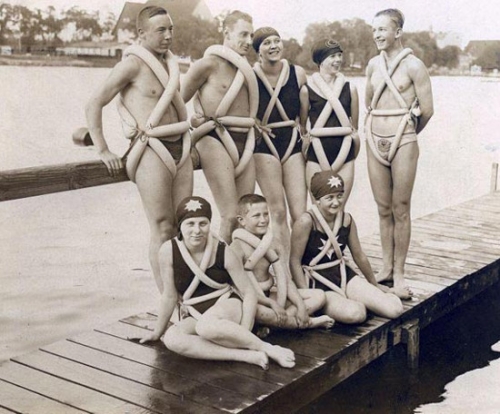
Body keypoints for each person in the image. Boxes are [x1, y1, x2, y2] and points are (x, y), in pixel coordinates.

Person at [85, 6, 193, 292]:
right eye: (161, 30)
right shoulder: (131, 65)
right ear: (141, 34)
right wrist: (103, 150)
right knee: (162, 226)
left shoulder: (171, 64)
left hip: (181, 148)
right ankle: (167, 299)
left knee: (186, 223)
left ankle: (188, 297)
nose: (168, 36)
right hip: (151, 150)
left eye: (171, 29)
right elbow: (94, 103)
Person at [136, 196, 295, 370]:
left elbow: (248, 293)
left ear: (209, 224)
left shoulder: (222, 250)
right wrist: (157, 332)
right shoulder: (168, 251)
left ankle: (269, 349)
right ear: (180, 225)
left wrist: (245, 329)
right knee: (172, 338)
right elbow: (169, 296)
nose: (197, 230)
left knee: (206, 327)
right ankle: (246, 356)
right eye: (190, 224)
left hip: (227, 304)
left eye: (203, 223)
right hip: (195, 311)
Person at [365, 9, 434, 297]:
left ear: (398, 32)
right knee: (383, 208)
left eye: (383, 29)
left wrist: (408, 134)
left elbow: (427, 110)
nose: (377, 35)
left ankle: (400, 273)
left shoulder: (415, 66)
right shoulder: (372, 65)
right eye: (374, 30)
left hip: (403, 138)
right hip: (374, 139)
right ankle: (386, 268)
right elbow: (368, 104)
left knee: (401, 208)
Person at [181, 11, 258, 242]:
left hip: (244, 141)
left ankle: (238, 262)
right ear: (227, 33)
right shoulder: (207, 65)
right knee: (230, 215)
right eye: (243, 34)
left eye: (251, 35)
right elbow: (176, 103)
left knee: (247, 216)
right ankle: (220, 262)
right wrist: (191, 125)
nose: (249, 41)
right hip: (213, 139)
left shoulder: (247, 71)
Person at [290, 171, 405, 324]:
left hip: (343, 274)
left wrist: (374, 284)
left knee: (394, 309)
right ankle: (353, 304)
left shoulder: (346, 219)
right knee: (356, 314)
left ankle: (386, 295)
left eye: (339, 196)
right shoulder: (306, 222)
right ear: (317, 200)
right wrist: (308, 296)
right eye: (329, 198)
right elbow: (294, 261)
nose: (336, 202)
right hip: (317, 283)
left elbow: (359, 255)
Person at [231, 194, 335, 331]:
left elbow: (285, 279)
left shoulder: (274, 243)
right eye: (256, 216)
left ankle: (275, 323)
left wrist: (301, 306)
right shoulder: (236, 247)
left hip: (269, 295)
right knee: (258, 312)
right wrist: (271, 304)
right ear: (242, 220)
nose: (263, 220)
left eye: (266, 214)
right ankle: (308, 323)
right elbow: (240, 287)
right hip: (249, 299)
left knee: (319, 296)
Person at [252, 27, 308, 259]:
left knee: (300, 214)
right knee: (277, 212)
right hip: (264, 145)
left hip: (292, 141)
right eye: (267, 43)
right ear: (258, 51)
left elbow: (308, 108)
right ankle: (283, 267)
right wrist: (253, 121)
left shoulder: (298, 73)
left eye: (277, 41)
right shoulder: (250, 76)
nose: (274, 46)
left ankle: (300, 264)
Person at [300, 39, 360, 200]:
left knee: (340, 205)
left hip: (344, 154)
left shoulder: (350, 89)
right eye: (332, 56)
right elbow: (303, 127)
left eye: (339, 55)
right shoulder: (306, 90)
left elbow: (354, 127)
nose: (338, 60)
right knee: (318, 206)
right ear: (320, 60)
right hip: (316, 155)